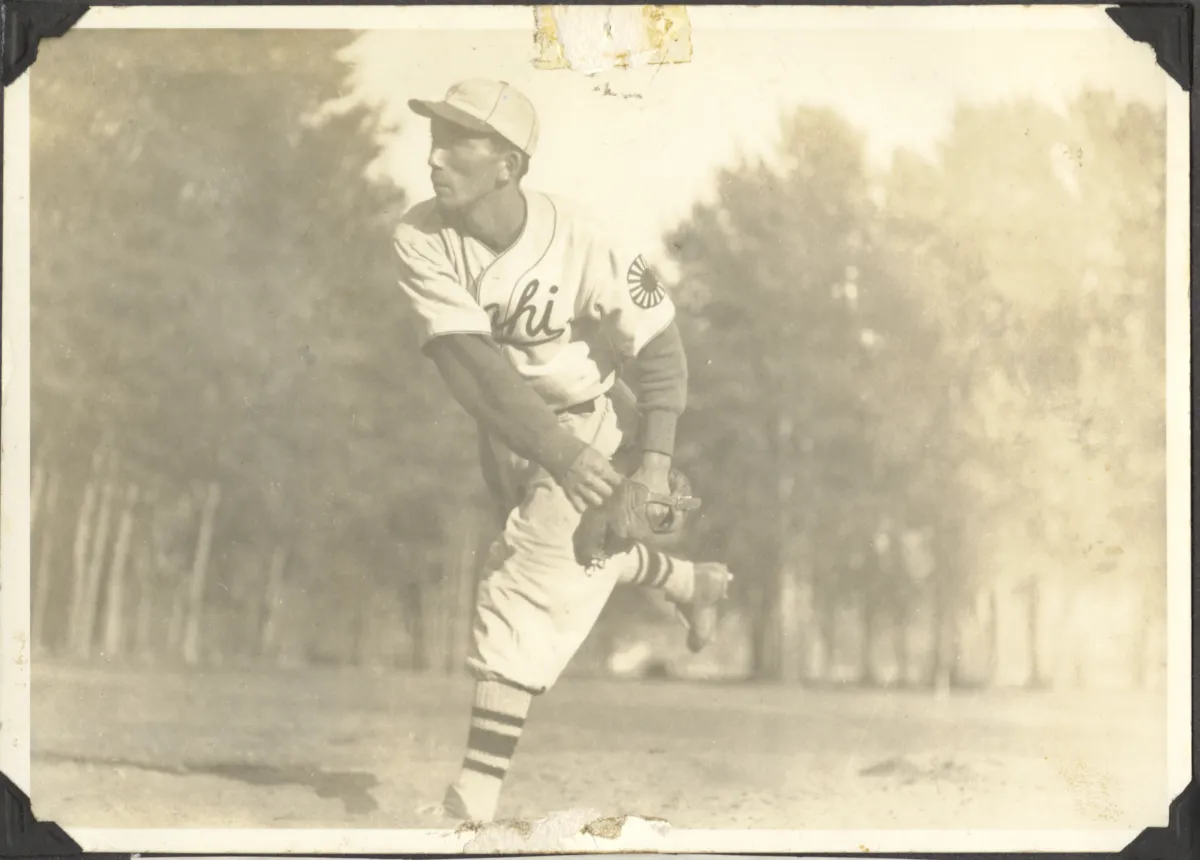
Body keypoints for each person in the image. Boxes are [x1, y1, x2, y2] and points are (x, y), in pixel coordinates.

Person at [392, 78, 732, 823]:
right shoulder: (420, 236)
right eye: (435, 136)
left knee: (521, 583)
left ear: (508, 163)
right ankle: (687, 583)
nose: (436, 155)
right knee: (575, 557)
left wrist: (651, 460)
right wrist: (549, 451)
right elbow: (467, 364)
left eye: (458, 140)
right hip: (510, 429)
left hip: (592, 418)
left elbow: (660, 349)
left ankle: (472, 798)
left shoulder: (584, 235)